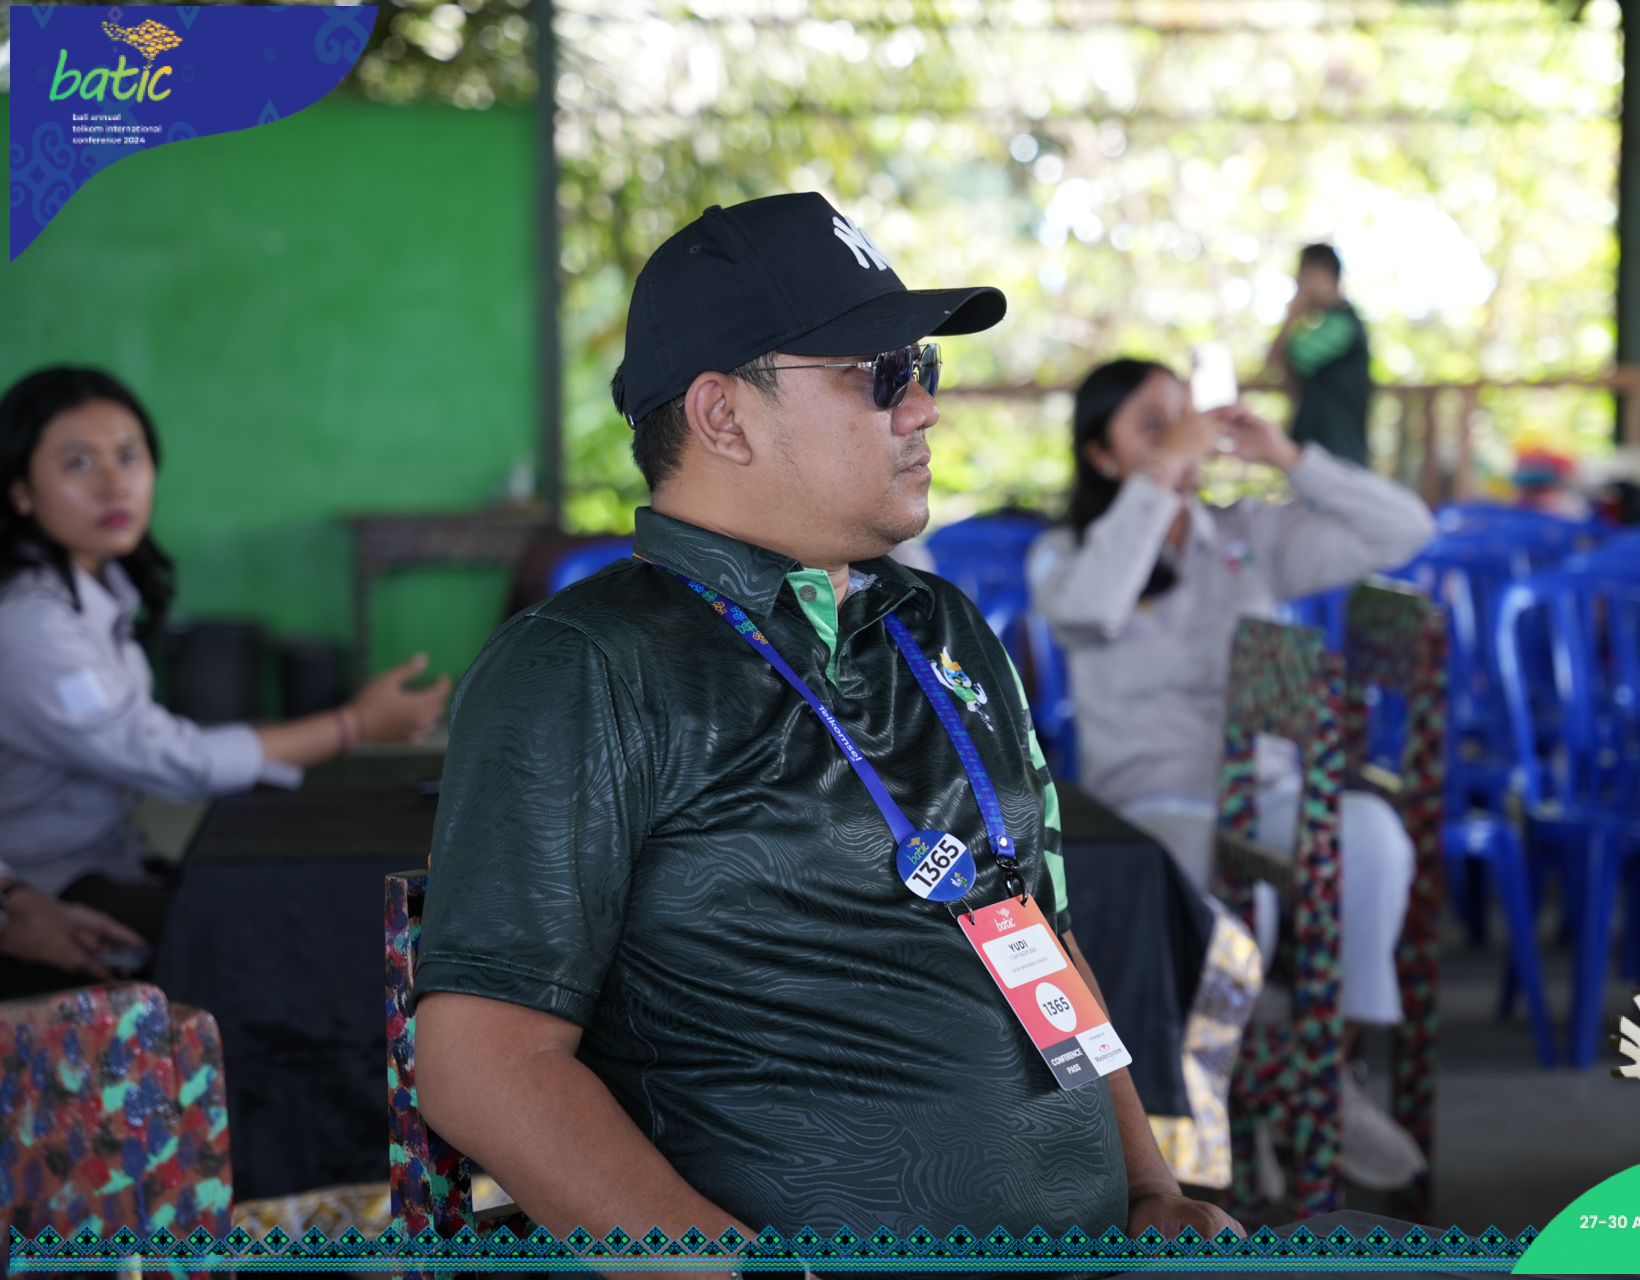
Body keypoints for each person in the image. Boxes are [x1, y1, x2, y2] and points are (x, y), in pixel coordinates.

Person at [410, 194, 1239, 1243]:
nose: (923, 407)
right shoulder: (588, 663)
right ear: (724, 416)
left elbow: (1040, 935)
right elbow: (484, 1063)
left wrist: (1150, 1190)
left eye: (922, 367)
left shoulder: (942, 625)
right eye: (877, 373)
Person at [1026, 358, 1435, 1190]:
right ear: (1100, 454)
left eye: (1187, 417)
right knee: (1215, 898)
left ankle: (1325, 1067)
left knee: (1372, 838)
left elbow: (1404, 532)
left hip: (1267, 790)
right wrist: (1160, 479)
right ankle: (1216, 1104)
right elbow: (1094, 608)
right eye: (1153, 424)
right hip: (1150, 803)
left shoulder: (1247, 532)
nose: (1186, 435)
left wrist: (1290, 457)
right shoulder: (1066, 555)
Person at [0, 366, 451, 996]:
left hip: (111, 858)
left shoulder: (99, 588)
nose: (114, 484)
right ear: (20, 491)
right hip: (44, 883)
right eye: (79, 463)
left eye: (129, 456)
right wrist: (356, 724)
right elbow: (171, 759)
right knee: (282, 939)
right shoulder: (30, 623)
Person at [1266, 244, 1373, 467]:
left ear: (1323, 272)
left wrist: (1295, 310)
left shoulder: (1341, 324)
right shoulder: (1334, 323)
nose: (1299, 283)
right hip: (1324, 452)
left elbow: (1275, 358)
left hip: (1335, 454)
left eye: (1302, 275)